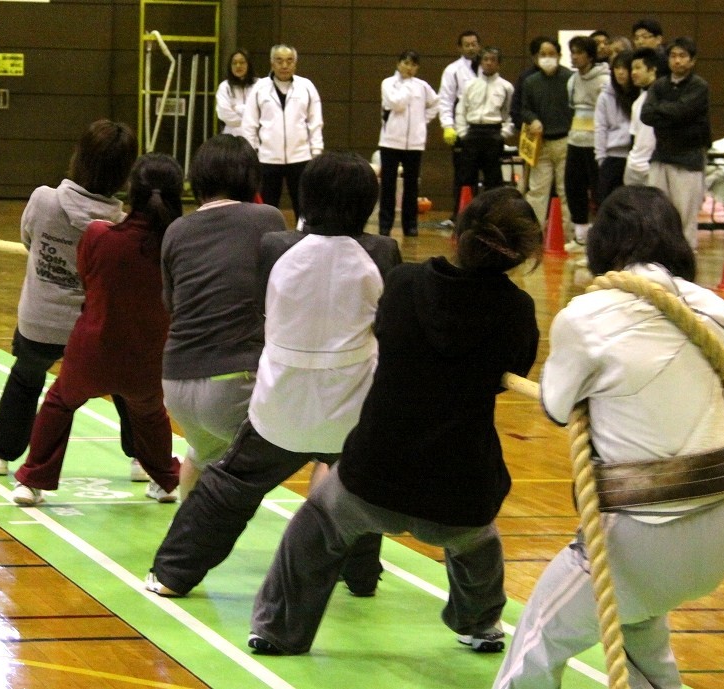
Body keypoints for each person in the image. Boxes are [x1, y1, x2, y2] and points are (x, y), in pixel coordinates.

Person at [247, 185, 542, 658]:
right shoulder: (516, 311)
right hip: (459, 489)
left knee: (315, 525)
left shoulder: (405, 283)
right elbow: (511, 372)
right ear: (521, 255)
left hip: (373, 476)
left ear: (458, 236)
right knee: (479, 544)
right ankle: (481, 623)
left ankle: (277, 630)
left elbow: (386, 332)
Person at [493, 185, 724, 689]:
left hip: (643, 531)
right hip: (721, 529)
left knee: (536, 643)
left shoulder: (588, 316)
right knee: (642, 634)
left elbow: (558, 406)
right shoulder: (717, 310)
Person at [145, 151, 401, 599]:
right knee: (358, 484)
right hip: (351, 408)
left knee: (228, 486)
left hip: (280, 404)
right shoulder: (382, 251)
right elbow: (387, 325)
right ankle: (360, 577)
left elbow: (266, 312)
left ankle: (171, 573)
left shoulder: (275, 245)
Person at [10, 154, 184, 506]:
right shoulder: (175, 247)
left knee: (59, 403)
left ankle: (32, 482)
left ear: (131, 190)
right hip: (147, 355)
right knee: (150, 415)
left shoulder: (99, 235)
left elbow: (88, 281)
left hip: (94, 347)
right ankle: (166, 481)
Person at [0, 120, 141, 480]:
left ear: (79, 157)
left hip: (41, 321)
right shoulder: (121, 223)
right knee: (125, 385)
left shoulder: (44, 200)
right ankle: (143, 459)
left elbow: (28, 240)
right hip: (96, 327)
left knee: (26, 376)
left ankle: (0, 455)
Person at [161, 135, 286, 499]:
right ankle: (320, 553)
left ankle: (181, 550)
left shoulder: (176, 230)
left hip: (175, 384)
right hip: (233, 381)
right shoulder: (268, 218)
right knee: (321, 449)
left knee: (202, 453)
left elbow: (172, 305)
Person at [641, 37, 711, 251]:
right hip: (661, 155)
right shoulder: (659, 85)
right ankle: (657, 256)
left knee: (684, 216)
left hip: (687, 158)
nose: (677, 61)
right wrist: (671, 111)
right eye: (673, 56)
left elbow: (683, 111)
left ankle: (686, 258)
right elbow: (646, 114)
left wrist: (663, 110)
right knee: (656, 211)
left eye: (682, 56)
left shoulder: (699, 86)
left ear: (692, 61)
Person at [241, 44, 323, 220]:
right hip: (268, 158)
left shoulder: (306, 86)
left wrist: (316, 151)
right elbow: (249, 124)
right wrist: (251, 152)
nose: (284, 65)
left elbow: (315, 121)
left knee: (303, 204)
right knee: (268, 206)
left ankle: (304, 237)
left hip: (300, 157)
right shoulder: (259, 88)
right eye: (279, 61)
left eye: (289, 61)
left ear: (295, 64)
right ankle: (267, 237)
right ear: (272, 63)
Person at [377, 49, 438, 237]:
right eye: (406, 63)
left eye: (413, 65)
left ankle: (410, 225)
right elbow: (397, 104)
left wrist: (422, 120)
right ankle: (385, 225)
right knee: (388, 184)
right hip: (390, 141)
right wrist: (406, 85)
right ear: (398, 63)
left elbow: (435, 104)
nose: (409, 68)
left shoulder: (423, 86)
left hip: (415, 143)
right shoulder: (389, 83)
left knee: (412, 185)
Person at [521, 38, 573, 235]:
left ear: (559, 56)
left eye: (552, 54)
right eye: (543, 55)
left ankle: (566, 235)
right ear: (535, 58)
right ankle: (533, 234)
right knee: (536, 191)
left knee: (565, 191)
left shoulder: (570, 79)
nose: (547, 58)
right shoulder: (530, 82)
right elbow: (525, 109)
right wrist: (532, 119)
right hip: (541, 144)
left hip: (565, 142)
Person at [563, 36, 610, 251]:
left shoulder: (604, 80)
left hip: (596, 144)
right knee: (574, 187)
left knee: (599, 190)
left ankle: (601, 237)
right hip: (575, 141)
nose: (574, 57)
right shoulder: (572, 81)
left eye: (579, 52)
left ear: (590, 56)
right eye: (572, 52)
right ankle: (580, 236)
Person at [437, 30, 482, 228]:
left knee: (487, 176)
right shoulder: (452, 70)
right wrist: (448, 126)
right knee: (463, 175)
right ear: (460, 47)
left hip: (485, 128)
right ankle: (459, 214)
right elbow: (445, 100)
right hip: (462, 130)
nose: (471, 48)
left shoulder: (487, 66)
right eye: (467, 44)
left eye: (474, 44)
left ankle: (482, 215)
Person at [455, 47, 513, 197]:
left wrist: (503, 134)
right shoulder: (470, 85)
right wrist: (462, 133)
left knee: (493, 179)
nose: (488, 63)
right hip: (472, 133)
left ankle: (491, 215)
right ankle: (463, 215)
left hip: (493, 133)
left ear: (499, 64)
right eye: (485, 59)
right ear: (480, 63)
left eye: (493, 60)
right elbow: (461, 110)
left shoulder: (506, 87)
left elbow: (509, 114)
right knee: (466, 178)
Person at [594, 50, 638, 202]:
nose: (620, 72)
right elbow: (600, 127)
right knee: (609, 203)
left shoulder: (641, 96)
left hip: (635, 158)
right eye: (617, 68)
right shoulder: (605, 96)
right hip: (612, 157)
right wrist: (601, 158)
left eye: (625, 68)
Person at [623, 47, 660, 187]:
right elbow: (634, 136)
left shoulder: (662, 97)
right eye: (632, 68)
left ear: (652, 70)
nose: (633, 73)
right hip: (633, 166)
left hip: (652, 167)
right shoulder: (638, 101)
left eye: (638, 68)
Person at [215, 50, 256, 137]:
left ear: (248, 64)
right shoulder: (224, 86)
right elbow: (224, 114)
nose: (238, 66)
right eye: (234, 63)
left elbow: (262, 112)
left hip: (255, 137)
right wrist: (250, 116)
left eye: (242, 62)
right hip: (231, 137)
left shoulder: (259, 85)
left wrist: (237, 108)